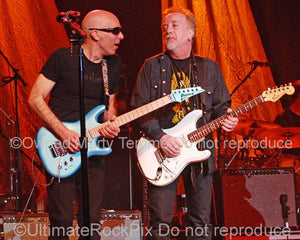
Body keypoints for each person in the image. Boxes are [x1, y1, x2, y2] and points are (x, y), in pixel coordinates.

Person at [131, 7, 238, 240]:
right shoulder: (151, 67)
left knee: (200, 222)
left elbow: (222, 106)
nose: (168, 30)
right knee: (161, 223)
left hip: (199, 151)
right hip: (161, 150)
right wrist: (161, 137)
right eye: (165, 27)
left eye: (174, 25)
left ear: (191, 33)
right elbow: (138, 110)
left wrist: (228, 118)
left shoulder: (209, 67)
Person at [28, 9, 124, 240]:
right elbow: (35, 98)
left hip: (93, 148)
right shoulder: (63, 57)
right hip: (60, 147)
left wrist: (111, 122)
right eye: (115, 31)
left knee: (91, 221)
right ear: (95, 34)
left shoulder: (112, 64)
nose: (121, 37)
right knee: (61, 219)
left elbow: (110, 107)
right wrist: (62, 133)